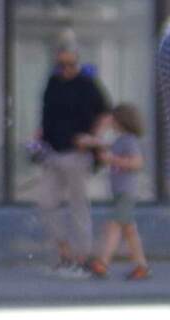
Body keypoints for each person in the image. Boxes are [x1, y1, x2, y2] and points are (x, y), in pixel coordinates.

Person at [39, 47, 111, 272]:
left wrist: (93, 139)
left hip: (77, 153)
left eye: (70, 65)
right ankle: (63, 250)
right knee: (46, 202)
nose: (66, 69)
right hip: (53, 151)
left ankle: (83, 255)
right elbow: (47, 114)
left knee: (78, 204)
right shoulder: (52, 83)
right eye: (61, 65)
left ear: (77, 64)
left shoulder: (87, 84)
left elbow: (106, 113)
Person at [89, 104, 152, 280]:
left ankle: (103, 262)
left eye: (113, 120)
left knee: (114, 225)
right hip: (119, 192)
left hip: (126, 192)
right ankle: (141, 266)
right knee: (129, 230)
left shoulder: (129, 140)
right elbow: (100, 146)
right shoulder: (119, 140)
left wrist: (112, 159)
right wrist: (101, 130)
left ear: (121, 121)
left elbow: (137, 163)